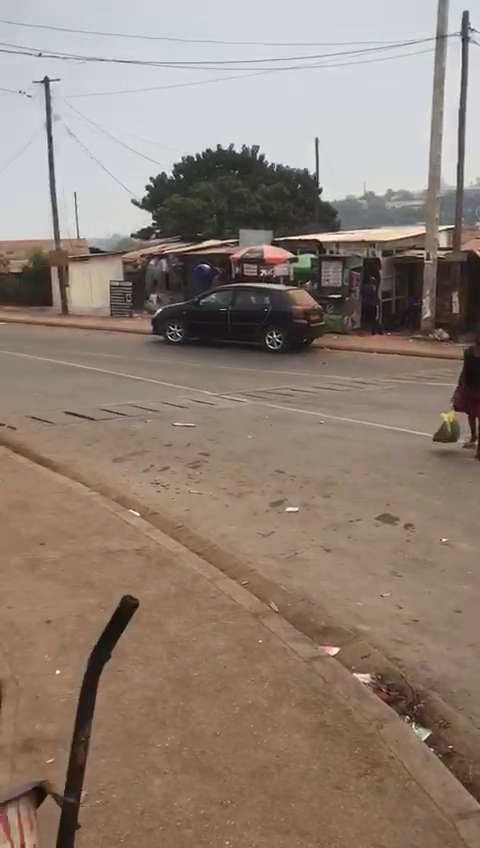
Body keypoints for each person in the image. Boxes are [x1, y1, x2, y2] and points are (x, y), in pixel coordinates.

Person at [453, 326, 480, 457]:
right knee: (471, 413)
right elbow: (464, 370)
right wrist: (460, 386)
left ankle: (479, 449)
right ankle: (473, 436)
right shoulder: (469, 352)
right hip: (469, 386)